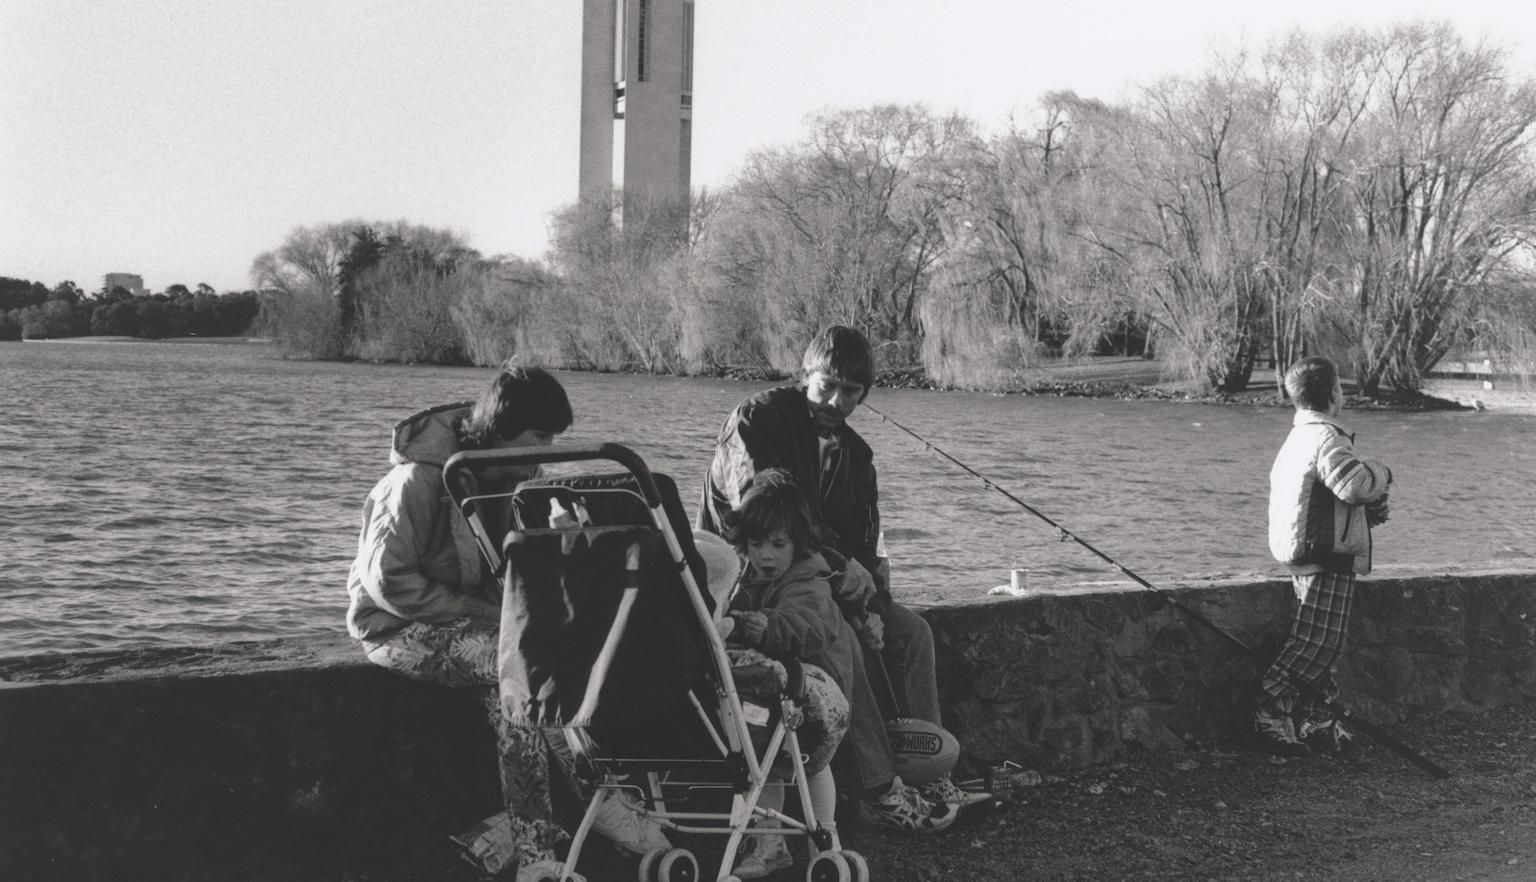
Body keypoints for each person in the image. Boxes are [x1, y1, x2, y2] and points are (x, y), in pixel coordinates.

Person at [345, 364, 668, 880]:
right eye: (539, 437)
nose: (543, 451)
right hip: (393, 629)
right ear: (499, 431)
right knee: (516, 675)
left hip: (478, 627)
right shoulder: (417, 480)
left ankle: (567, 823)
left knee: (525, 683)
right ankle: (560, 830)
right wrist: (487, 616)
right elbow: (389, 583)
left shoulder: (517, 477)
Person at [698, 326, 987, 827]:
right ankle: (878, 789)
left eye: (850, 392)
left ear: (864, 394)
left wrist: (872, 606)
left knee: (910, 633)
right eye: (826, 384)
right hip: (755, 583)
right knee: (841, 633)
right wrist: (844, 588)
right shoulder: (757, 419)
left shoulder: (858, 456)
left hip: (825, 581)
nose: (836, 400)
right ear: (805, 374)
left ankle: (928, 771)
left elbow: (866, 546)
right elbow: (762, 522)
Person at [1257, 356, 1393, 756]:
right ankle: (1269, 712)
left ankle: (1317, 719)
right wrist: (1382, 472)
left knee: (1320, 644)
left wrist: (1362, 515)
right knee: (1318, 645)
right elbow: (1353, 485)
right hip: (1324, 556)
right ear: (1334, 392)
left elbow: (1322, 497)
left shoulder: (1298, 436)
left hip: (1302, 548)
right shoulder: (1327, 437)